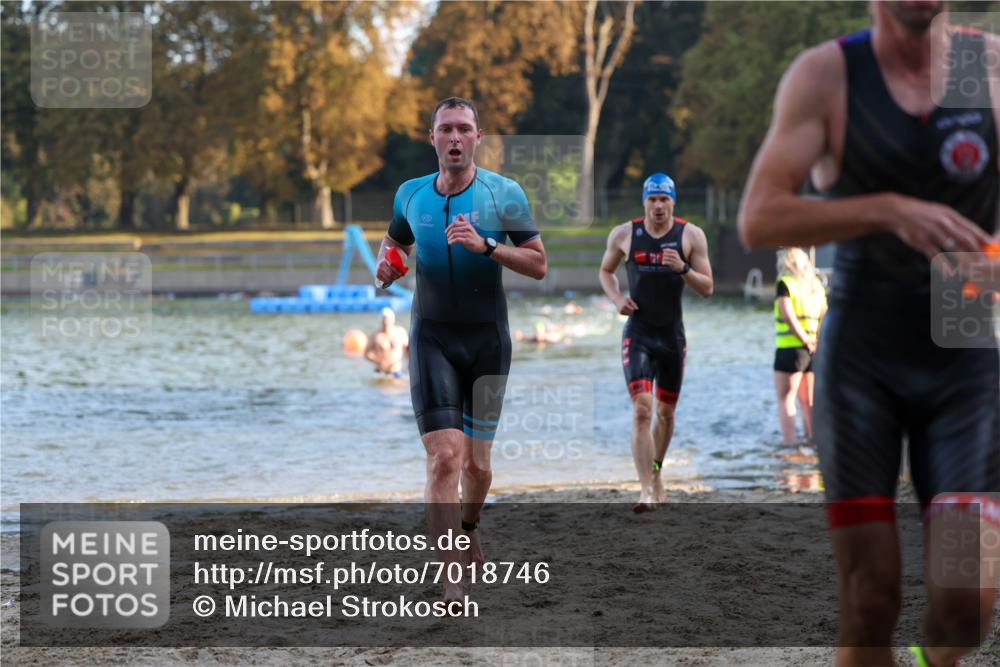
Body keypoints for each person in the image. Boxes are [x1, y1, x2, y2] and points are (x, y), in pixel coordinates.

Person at [739, 3, 999, 665]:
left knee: (965, 603)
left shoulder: (986, 68)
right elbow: (759, 216)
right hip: (863, 361)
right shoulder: (829, 75)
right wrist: (887, 211)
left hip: (963, 346)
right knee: (870, 597)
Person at [374, 97, 547, 605]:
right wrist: (385, 270)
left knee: (477, 466)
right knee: (444, 459)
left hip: (488, 341)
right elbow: (394, 247)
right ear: (432, 138)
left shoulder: (504, 194)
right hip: (430, 338)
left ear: (477, 138)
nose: (454, 138)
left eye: (463, 129)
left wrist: (488, 247)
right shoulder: (410, 195)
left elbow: (539, 265)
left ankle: (470, 525)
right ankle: (451, 579)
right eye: (445, 129)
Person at [598, 173, 714, 512]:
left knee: (665, 414)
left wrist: (682, 269)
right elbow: (604, 272)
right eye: (653, 199)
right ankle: (646, 489)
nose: (658, 206)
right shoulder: (624, 234)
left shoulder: (690, 236)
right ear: (644, 202)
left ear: (673, 202)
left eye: (664, 199)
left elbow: (707, 288)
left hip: (672, 337)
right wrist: (617, 298)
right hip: (639, 334)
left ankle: (657, 472)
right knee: (641, 410)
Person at [773, 247, 827, 445]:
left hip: (790, 349)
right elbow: (825, 315)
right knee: (809, 402)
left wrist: (804, 339)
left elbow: (787, 315)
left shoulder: (785, 284)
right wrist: (815, 342)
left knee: (786, 399)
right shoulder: (816, 287)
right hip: (813, 350)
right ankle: (813, 441)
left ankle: (789, 444)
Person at [364, 307, 409, 379]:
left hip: (395, 372)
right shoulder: (375, 335)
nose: (386, 322)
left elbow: (408, 349)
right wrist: (377, 360)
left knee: (399, 389)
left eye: (388, 320)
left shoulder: (400, 332)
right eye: (384, 320)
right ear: (381, 321)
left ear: (393, 320)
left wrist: (410, 362)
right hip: (380, 373)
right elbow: (366, 353)